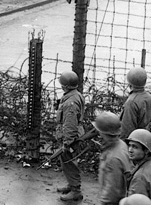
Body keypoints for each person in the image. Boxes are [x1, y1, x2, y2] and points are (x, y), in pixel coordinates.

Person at [55, 71, 85, 203]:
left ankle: (75, 191)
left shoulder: (70, 102)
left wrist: (67, 142)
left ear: (66, 86)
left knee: (69, 162)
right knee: (67, 162)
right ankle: (71, 184)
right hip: (72, 134)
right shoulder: (75, 95)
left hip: (70, 136)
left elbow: (70, 124)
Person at [93, 111, 132, 205]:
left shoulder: (113, 158)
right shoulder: (120, 145)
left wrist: (102, 202)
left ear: (102, 132)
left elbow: (112, 192)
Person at [120, 68, 151, 140]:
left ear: (129, 82)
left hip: (133, 140)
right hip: (144, 137)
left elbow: (127, 128)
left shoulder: (131, 102)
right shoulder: (150, 97)